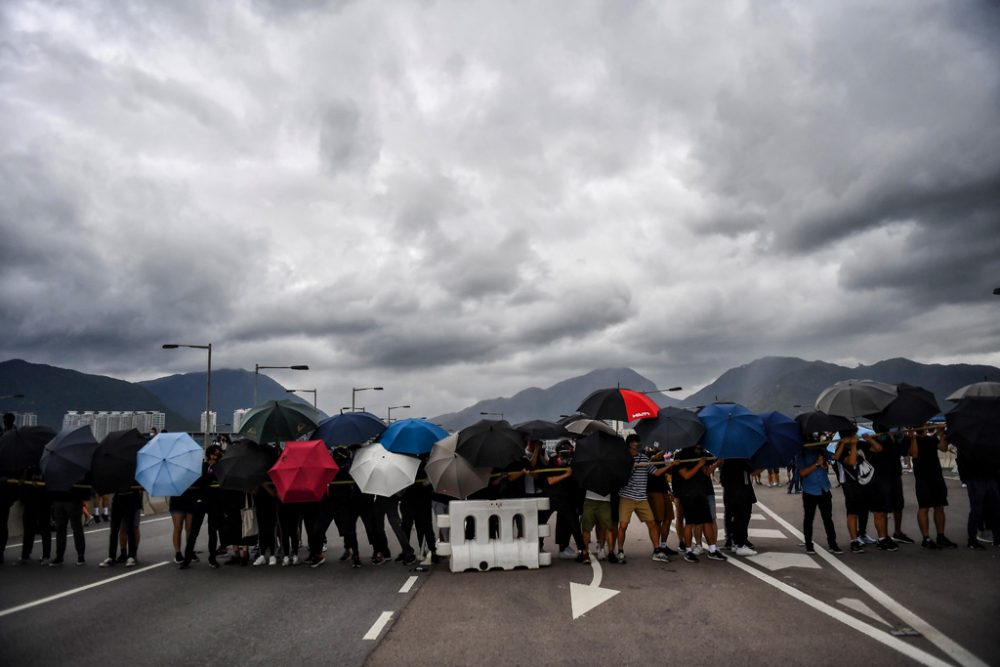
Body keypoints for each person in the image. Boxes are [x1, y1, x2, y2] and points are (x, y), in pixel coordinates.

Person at [614, 434, 664, 564]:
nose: (638, 444)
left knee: (652, 523)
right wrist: (629, 467)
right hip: (626, 497)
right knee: (623, 526)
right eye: (636, 442)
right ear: (630, 444)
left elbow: (656, 472)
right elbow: (619, 476)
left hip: (642, 497)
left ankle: (657, 550)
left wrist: (671, 464)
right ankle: (620, 551)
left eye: (638, 441)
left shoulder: (644, 458)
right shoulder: (623, 459)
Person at [672, 442, 725, 563]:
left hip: (701, 492)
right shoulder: (680, 455)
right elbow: (685, 475)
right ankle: (689, 551)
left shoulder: (701, 453)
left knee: (707, 520)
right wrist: (699, 464)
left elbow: (706, 472)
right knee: (690, 522)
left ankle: (712, 549)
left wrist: (712, 463)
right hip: (687, 493)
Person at [908, 427, 958, 549]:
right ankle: (926, 538)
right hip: (922, 478)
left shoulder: (931, 439)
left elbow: (944, 448)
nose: (925, 427)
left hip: (936, 476)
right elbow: (914, 454)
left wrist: (941, 433)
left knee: (939, 506)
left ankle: (941, 536)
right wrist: (913, 438)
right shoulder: (910, 440)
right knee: (924, 507)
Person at [798, 446, 841, 555]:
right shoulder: (801, 453)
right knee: (809, 519)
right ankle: (808, 544)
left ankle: (833, 543)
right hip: (810, 491)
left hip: (824, 489)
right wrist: (816, 464)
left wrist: (843, 444)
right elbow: (802, 473)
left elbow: (835, 457)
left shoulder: (822, 450)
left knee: (828, 519)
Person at [545, 442, 585, 561]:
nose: (565, 456)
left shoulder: (573, 462)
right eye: (563, 453)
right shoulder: (553, 461)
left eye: (569, 452)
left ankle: (581, 550)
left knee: (573, 524)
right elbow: (550, 480)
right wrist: (566, 474)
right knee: (540, 521)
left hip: (566, 498)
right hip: (552, 496)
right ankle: (538, 547)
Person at [833, 434, 867, 553]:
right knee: (852, 513)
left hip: (862, 482)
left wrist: (869, 439)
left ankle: (862, 534)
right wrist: (850, 445)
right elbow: (851, 461)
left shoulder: (860, 446)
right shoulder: (841, 449)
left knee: (863, 510)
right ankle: (854, 541)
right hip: (849, 484)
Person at [720, 458, 757, 556]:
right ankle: (740, 544)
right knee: (742, 518)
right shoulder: (741, 459)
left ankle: (735, 542)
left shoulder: (726, 461)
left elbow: (722, 481)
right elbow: (753, 471)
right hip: (741, 494)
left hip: (730, 494)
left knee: (735, 518)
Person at [647, 449, 679, 556]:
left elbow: (668, 473)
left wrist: (670, 491)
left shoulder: (666, 454)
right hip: (653, 491)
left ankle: (664, 545)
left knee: (668, 518)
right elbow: (652, 464)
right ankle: (657, 547)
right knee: (658, 520)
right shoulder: (646, 452)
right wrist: (660, 455)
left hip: (664, 489)